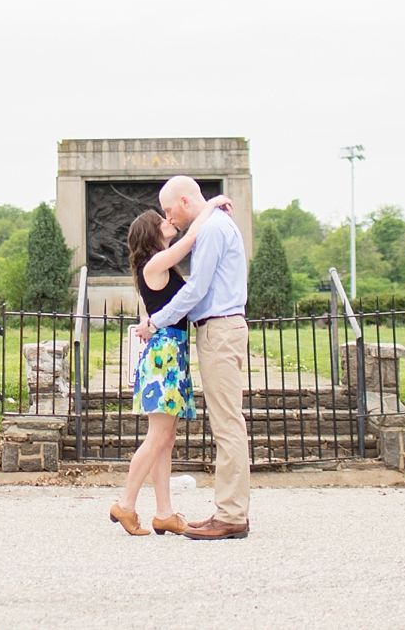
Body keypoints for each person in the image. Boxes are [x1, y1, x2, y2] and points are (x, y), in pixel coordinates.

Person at [137, 174, 250, 539]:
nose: (169, 218)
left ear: (185, 201)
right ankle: (227, 510)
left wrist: (157, 321)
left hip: (220, 329)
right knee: (225, 423)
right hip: (216, 329)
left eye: (170, 209)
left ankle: (231, 516)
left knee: (227, 425)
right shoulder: (211, 226)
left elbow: (197, 289)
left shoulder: (213, 230)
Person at [107, 202, 225, 535]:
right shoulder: (155, 262)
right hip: (165, 358)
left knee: (165, 438)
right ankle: (126, 504)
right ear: (152, 232)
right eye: (163, 220)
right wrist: (212, 204)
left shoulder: (157, 265)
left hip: (170, 353)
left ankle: (163, 512)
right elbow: (191, 240)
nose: (169, 220)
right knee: (158, 436)